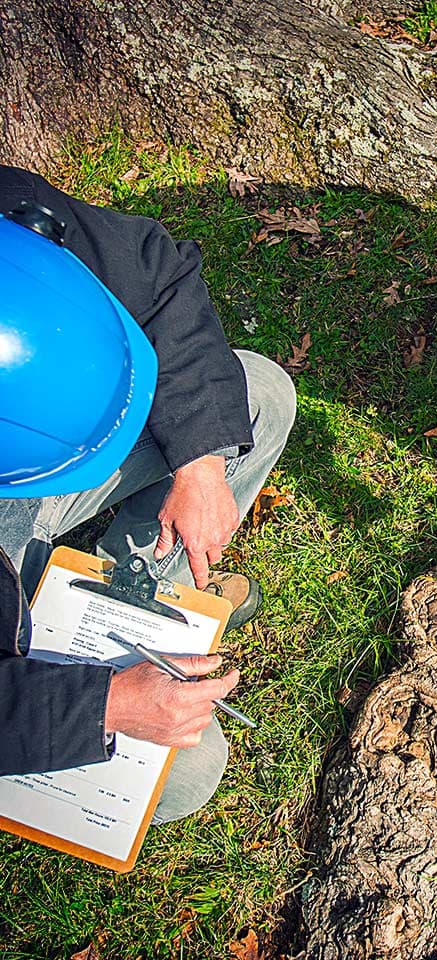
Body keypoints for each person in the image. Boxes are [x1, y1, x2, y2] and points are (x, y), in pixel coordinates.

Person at [0, 165, 297, 821]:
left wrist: (196, 459)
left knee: (258, 399)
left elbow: (155, 273)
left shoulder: (13, 220)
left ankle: (122, 595)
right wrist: (105, 706)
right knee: (189, 773)